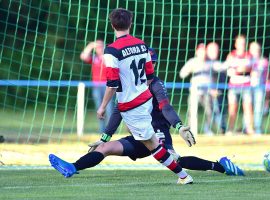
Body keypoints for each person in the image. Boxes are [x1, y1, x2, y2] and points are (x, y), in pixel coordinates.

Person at [49, 8, 195, 184]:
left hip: (134, 108)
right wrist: (137, 92)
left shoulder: (111, 50)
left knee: (154, 146)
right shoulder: (142, 45)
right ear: (130, 23)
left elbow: (112, 83)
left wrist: (102, 106)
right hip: (142, 103)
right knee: (111, 146)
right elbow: (149, 75)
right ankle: (72, 167)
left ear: (112, 25)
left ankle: (184, 176)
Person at [49, 48, 244, 180]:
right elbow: (118, 110)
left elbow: (166, 108)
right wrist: (104, 137)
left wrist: (178, 126)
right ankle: (72, 167)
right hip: (138, 134)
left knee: (175, 160)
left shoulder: (156, 84)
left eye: (152, 63)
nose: (148, 67)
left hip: (157, 132)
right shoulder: (128, 84)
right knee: (106, 148)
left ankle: (221, 165)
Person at [180, 44, 214, 135]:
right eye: (201, 51)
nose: (202, 53)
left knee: (209, 112)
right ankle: (193, 131)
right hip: (195, 90)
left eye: (204, 51)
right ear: (197, 52)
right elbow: (182, 73)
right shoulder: (192, 62)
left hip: (207, 91)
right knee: (193, 111)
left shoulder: (210, 62)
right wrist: (189, 70)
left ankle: (208, 129)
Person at [80, 40, 114, 132]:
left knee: (109, 108)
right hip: (96, 87)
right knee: (99, 108)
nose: (99, 49)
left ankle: (110, 129)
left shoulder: (108, 58)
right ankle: (102, 129)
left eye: (100, 47)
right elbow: (83, 56)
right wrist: (90, 46)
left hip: (108, 87)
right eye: (97, 47)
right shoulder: (95, 58)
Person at [225, 35, 254, 135]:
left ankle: (249, 129)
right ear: (236, 44)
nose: (242, 45)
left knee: (248, 107)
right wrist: (239, 69)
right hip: (234, 85)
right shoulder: (231, 55)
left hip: (246, 84)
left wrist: (238, 69)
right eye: (240, 43)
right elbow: (229, 70)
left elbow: (249, 68)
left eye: (243, 42)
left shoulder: (249, 55)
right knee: (232, 108)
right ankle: (230, 129)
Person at [206, 42, 228, 134]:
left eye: (216, 50)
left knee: (221, 110)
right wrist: (210, 89)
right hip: (207, 92)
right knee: (212, 111)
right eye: (212, 50)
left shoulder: (217, 63)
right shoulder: (206, 63)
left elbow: (222, 69)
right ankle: (208, 129)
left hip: (220, 91)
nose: (215, 52)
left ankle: (222, 130)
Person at [249, 42, 270, 134]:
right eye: (253, 49)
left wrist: (267, 92)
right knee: (248, 109)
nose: (255, 51)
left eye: (257, 49)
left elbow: (267, 78)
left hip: (259, 88)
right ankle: (247, 128)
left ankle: (258, 129)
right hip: (247, 88)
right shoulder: (246, 60)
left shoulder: (264, 61)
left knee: (258, 109)